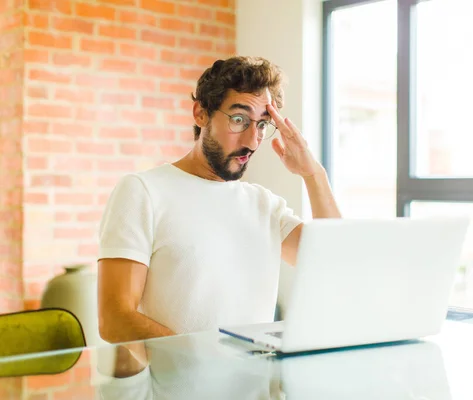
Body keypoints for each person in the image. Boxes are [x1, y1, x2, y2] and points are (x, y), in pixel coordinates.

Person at [97, 56, 341, 343]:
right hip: (178, 386)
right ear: (201, 114)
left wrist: (314, 175)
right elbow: (114, 319)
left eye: (262, 125)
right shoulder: (143, 191)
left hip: (256, 387)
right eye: (239, 120)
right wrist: (206, 363)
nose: (252, 141)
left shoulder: (264, 205)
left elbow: (334, 262)